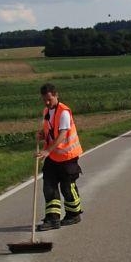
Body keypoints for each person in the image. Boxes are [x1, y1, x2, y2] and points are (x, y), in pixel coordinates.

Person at [36, 82, 84, 230]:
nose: (47, 102)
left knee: (67, 187)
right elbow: (50, 131)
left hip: (67, 156)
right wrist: (42, 134)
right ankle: (52, 219)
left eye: (49, 99)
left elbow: (62, 135)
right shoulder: (46, 111)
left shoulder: (64, 112)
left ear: (56, 95)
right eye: (44, 100)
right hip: (53, 156)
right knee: (49, 186)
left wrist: (47, 151)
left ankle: (73, 214)